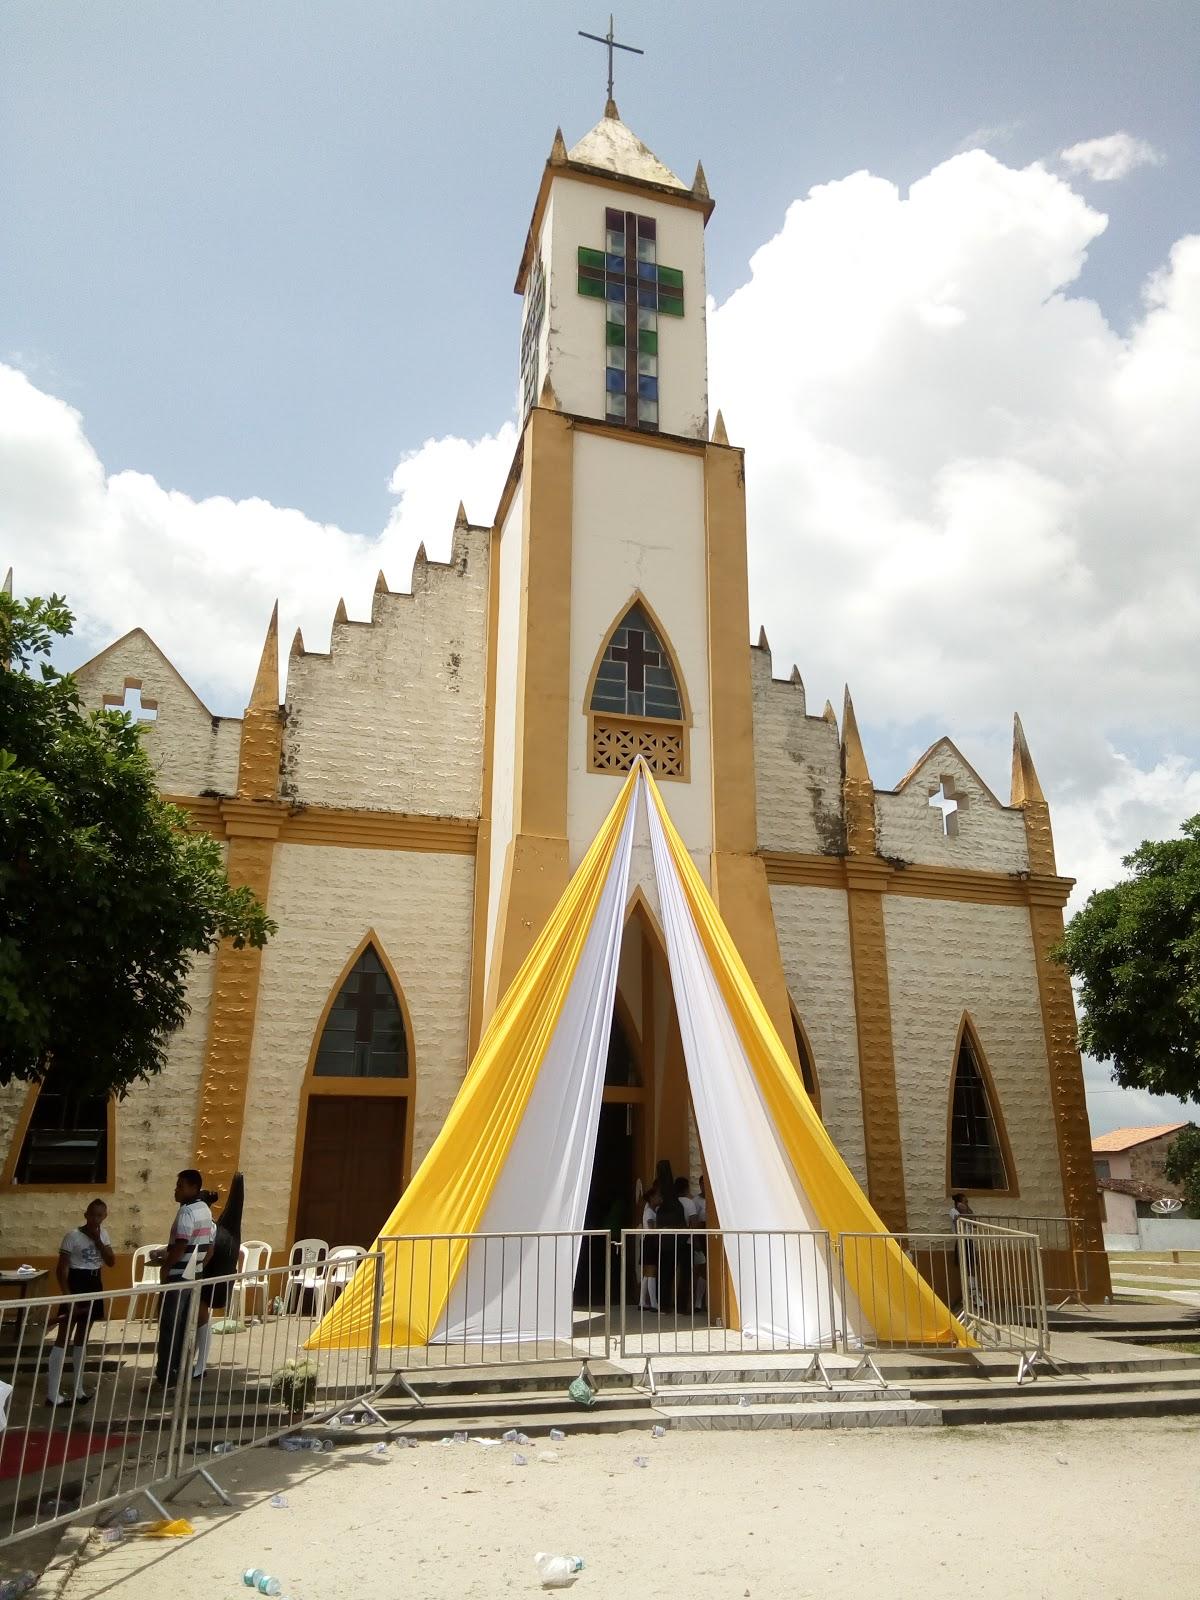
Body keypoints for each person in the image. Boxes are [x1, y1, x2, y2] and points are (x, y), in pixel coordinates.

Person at [47, 1200, 114, 1408]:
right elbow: (62, 1269)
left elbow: (111, 1262)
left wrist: (98, 1242)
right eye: (92, 1215)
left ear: (105, 1216)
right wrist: (68, 1298)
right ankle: (52, 1394)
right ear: (86, 1215)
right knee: (64, 1335)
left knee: (82, 1336)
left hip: (94, 1281)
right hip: (76, 1281)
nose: (96, 1219)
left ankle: (78, 1389)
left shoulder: (104, 1235)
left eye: (100, 1215)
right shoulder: (72, 1236)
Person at [153, 1170, 216, 1386]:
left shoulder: (187, 1212)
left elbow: (181, 1244)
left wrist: (167, 1266)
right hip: (193, 1274)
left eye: (180, 1186)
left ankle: (166, 1376)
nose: (176, 1190)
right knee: (183, 1325)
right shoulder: (205, 1211)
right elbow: (208, 1248)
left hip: (179, 1274)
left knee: (170, 1325)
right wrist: (197, 1266)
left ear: (193, 1188)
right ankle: (179, 1370)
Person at [194, 1173, 245, 1379]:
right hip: (205, 1275)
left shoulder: (210, 1227)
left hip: (206, 1277)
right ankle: (198, 1363)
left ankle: (199, 1365)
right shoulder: (211, 1225)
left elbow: (209, 1252)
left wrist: (199, 1270)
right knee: (200, 1319)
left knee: (201, 1318)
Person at [653, 1161, 687, 1313]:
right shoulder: (677, 1205)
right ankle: (680, 1306)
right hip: (678, 1242)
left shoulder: (663, 1207)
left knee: (665, 1275)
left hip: (666, 1244)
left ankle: (664, 1305)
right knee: (682, 1275)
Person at [638, 1182, 661, 1311]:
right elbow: (652, 1229)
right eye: (658, 1196)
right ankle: (653, 1303)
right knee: (651, 1272)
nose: (659, 1198)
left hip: (648, 1241)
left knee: (647, 1274)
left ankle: (642, 1301)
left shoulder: (652, 1210)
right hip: (650, 1241)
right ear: (652, 1198)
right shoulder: (649, 1212)